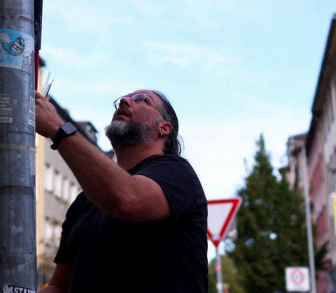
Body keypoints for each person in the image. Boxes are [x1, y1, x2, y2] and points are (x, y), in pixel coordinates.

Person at [35, 88, 208, 293]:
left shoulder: (177, 173)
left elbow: (127, 199)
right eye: (122, 100)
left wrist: (58, 128)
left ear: (164, 127)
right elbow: (59, 286)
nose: (125, 100)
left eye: (141, 99)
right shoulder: (84, 203)